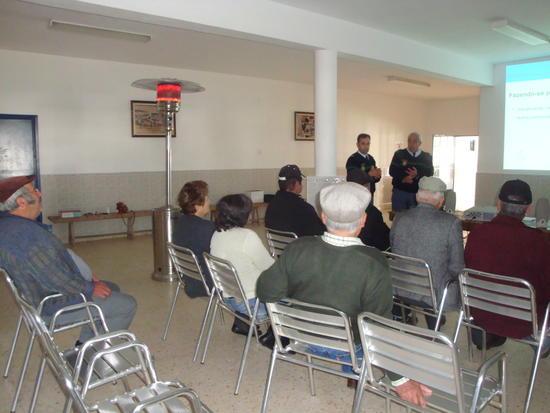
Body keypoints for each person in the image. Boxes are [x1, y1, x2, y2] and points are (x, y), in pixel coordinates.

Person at [257, 182, 432, 407]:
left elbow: (265, 291)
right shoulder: (374, 261)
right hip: (349, 349)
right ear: (363, 221)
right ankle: (354, 372)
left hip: (300, 337)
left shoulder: (298, 248)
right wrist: (400, 379)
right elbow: (378, 326)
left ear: (323, 217)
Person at [0, 175, 137, 343]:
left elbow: (49, 266)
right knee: (127, 304)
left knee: (111, 287)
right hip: (51, 305)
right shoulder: (26, 235)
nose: (39, 193)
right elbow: (56, 278)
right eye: (34, 191)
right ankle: (95, 354)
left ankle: (84, 346)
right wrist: (88, 287)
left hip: (38, 295)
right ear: (21, 202)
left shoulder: (8, 225)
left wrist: (85, 276)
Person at [465, 179, 550, 350]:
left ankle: (490, 334)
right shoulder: (538, 241)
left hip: (483, 315)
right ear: (528, 209)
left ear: (498, 204)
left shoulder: (476, 234)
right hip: (525, 322)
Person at [390, 176, 463, 329]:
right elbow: (457, 267)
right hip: (434, 292)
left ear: (417, 196)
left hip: (401, 286)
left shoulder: (399, 218)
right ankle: (434, 319)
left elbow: (394, 249)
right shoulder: (451, 222)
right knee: (446, 276)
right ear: (441, 200)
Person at [210, 194, 275, 340]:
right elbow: (270, 268)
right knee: (291, 290)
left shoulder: (217, 233)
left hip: (228, 297)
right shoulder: (247, 236)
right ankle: (275, 338)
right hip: (252, 305)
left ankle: (242, 324)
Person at [172, 180, 215, 298]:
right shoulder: (207, 228)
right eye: (207, 198)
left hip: (189, 278)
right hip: (206, 284)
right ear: (197, 204)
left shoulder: (181, 222)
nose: (209, 201)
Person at [264, 164, 325, 236]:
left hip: (276, 243)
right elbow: (320, 232)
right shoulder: (304, 208)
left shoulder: (272, 204)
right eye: (300, 182)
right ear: (296, 183)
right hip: (298, 243)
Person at [346, 169, 390, 251]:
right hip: (365, 254)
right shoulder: (372, 212)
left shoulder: (339, 206)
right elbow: (384, 243)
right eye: (367, 186)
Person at [389, 132, 434, 211]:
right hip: (400, 192)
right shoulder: (399, 154)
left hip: (418, 194)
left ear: (420, 143)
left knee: (416, 217)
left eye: (414, 141)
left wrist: (417, 174)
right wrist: (403, 178)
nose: (411, 144)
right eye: (409, 141)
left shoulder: (427, 157)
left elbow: (430, 173)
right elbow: (392, 171)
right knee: (398, 216)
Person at [345, 133, 382, 198]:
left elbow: (375, 177)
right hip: (358, 195)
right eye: (363, 143)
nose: (366, 146)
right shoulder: (352, 159)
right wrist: (369, 174)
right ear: (357, 145)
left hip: (370, 193)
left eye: (368, 144)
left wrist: (377, 176)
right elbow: (352, 178)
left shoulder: (371, 158)